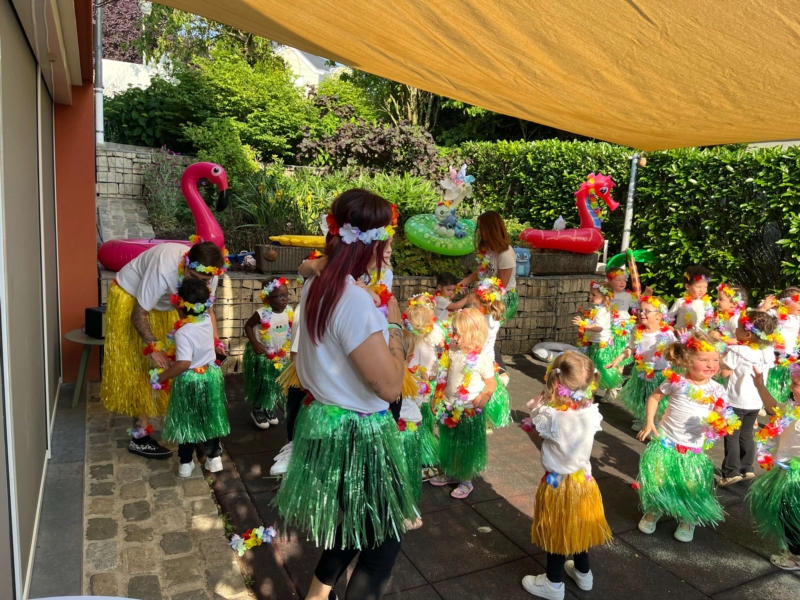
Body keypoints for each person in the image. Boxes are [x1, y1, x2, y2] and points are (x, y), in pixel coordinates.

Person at [275, 189, 417, 600]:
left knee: (358, 523)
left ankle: (317, 596)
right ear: (373, 242)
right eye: (388, 238)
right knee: (382, 544)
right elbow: (390, 386)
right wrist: (394, 329)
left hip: (327, 425)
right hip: (358, 435)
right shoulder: (353, 300)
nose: (391, 249)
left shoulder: (317, 286)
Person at [101, 240, 228, 459]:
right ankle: (139, 437)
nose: (202, 284)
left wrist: (215, 342)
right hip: (130, 297)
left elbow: (206, 308)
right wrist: (153, 347)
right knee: (143, 365)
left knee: (175, 364)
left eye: (206, 281)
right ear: (186, 264)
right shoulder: (165, 267)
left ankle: (190, 430)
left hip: (166, 304)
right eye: (195, 278)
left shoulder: (211, 275)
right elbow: (138, 314)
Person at [521, 351, 612, 600]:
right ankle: (584, 574)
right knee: (578, 528)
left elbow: (535, 432)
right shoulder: (591, 412)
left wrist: (543, 402)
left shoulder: (550, 416)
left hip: (558, 484)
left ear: (554, 380)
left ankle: (553, 584)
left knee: (557, 533)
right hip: (584, 482)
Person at [636, 332, 741, 542]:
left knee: (691, 486)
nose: (711, 365)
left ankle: (688, 517)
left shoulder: (718, 389)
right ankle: (654, 510)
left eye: (715, 360)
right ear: (687, 360)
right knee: (659, 480)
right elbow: (655, 397)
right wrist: (649, 421)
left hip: (693, 448)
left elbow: (725, 415)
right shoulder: (676, 382)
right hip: (666, 444)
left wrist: (721, 424)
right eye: (704, 359)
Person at [151, 278, 229, 478]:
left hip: (189, 380)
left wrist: (161, 377)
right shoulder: (205, 321)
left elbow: (184, 363)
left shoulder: (183, 332)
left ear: (179, 303)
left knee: (185, 419)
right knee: (209, 416)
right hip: (210, 376)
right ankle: (214, 459)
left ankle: (185, 462)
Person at [429, 308, 496, 499]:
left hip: (468, 411)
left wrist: (486, 395)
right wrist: (437, 396)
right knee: (449, 442)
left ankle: (465, 478)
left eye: (458, 333)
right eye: (453, 332)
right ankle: (451, 472)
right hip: (449, 407)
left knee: (466, 446)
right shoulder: (453, 350)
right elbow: (445, 374)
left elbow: (491, 382)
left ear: (473, 334)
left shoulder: (482, 358)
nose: (454, 337)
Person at [750, 363, 800, 570]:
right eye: (794, 383)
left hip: (796, 477)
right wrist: (760, 386)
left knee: (789, 512)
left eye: (797, 384)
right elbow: (773, 407)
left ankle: (795, 557)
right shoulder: (792, 408)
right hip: (787, 471)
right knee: (786, 510)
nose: (792, 387)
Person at [718, 310, 777, 485]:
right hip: (755, 401)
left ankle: (730, 472)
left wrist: (722, 358)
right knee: (746, 435)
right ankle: (747, 468)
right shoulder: (766, 351)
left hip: (736, 400)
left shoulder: (737, 351)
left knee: (732, 435)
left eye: (738, 328)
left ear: (748, 334)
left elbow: (725, 373)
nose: (735, 330)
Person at [458, 211, 518, 371]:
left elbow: (500, 287)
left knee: (486, 332)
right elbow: (481, 272)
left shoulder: (505, 253)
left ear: (492, 228)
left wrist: (476, 297)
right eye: (479, 228)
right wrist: (465, 282)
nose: (479, 232)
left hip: (501, 298)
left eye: (482, 228)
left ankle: (497, 372)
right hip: (486, 294)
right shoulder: (488, 249)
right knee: (480, 332)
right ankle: (483, 368)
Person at [607, 296, 676, 432]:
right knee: (641, 396)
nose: (641, 313)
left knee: (657, 399)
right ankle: (641, 417)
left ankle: (654, 422)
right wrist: (619, 358)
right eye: (640, 310)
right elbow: (631, 348)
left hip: (660, 373)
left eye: (646, 311)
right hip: (640, 371)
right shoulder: (637, 331)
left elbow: (675, 351)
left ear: (659, 316)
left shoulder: (667, 334)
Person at [243, 277, 293, 429]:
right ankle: (258, 409)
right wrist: (255, 342)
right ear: (267, 297)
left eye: (286, 295)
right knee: (262, 383)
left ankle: (268, 407)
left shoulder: (290, 311)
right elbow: (248, 326)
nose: (284, 299)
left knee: (275, 384)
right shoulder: (261, 313)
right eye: (279, 296)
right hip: (263, 356)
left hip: (280, 356)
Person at [403, 293, 444, 479]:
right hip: (420, 385)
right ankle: (424, 459)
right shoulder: (428, 338)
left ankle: (423, 459)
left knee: (419, 423)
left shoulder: (411, 340)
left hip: (414, 386)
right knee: (422, 423)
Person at [473, 278, 512, 428]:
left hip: (477, 361)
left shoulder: (478, 320)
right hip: (490, 360)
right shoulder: (494, 318)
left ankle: (481, 419)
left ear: (478, 299)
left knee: (478, 389)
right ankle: (488, 421)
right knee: (488, 388)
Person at [573, 281, 622, 394]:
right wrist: (584, 312)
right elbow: (592, 319)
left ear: (604, 297)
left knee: (603, 368)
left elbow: (598, 327)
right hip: (593, 342)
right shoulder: (597, 308)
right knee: (593, 366)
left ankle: (612, 388)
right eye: (591, 294)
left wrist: (583, 324)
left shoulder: (602, 311)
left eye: (594, 295)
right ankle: (591, 388)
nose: (591, 297)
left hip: (601, 345)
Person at [398, 330, 425, 527]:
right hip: (408, 433)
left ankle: (401, 508)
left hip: (395, 431)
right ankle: (407, 511)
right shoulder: (413, 381)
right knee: (406, 471)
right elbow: (420, 401)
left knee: (398, 470)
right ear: (411, 356)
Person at [758, 287, 800, 400]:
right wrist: (764, 307)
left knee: (783, 389)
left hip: (789, 359)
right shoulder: (773, 315)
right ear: (785, 302)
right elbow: (755, 320)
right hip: (772, 357)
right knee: (767, 383)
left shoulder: (796, 319)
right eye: (798, 302)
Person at [606, 265, 638, 368]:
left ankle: (619, 379)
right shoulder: (606, 295)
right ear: (610, 281)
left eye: (624, 280)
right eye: (618, 280)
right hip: (608, 326)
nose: (622, 282)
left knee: (620, 351)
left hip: (623, 328)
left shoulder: (628, 296)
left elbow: (637, 307)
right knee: (609, 351)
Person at [667, 265, 714, 331]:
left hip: (701, 337)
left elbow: (711, 322)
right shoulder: (680, 302)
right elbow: (668, 317)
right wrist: (669, 327)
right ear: (687, 286)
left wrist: (714, 321)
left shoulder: (707, 303)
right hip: (682, 337)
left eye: (705, 287)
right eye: (698, 287)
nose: (702, 290)